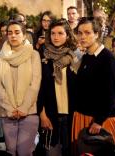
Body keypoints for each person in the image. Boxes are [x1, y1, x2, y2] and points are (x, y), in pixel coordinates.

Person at [72, 18, 115, 155]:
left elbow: (112, 94)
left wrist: (99, 121)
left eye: (87, 33)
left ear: (97, 34)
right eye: (80, 33)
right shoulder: (86, 56)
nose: (82, 37)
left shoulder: (107, 58)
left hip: (100, 121)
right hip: (83, 116)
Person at [0, 21, 41, 156]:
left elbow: (35, 83)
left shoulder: (34, 55)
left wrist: (23, 108)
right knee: (10, 152)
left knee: (24, 152)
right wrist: (10, 108)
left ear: (24, 35)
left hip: (29, 111)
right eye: (10, 33)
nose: (13, 36)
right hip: (7, 112)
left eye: (17, 32)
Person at [37, 19, 78, 156]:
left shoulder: (75, 58)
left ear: (68, 35)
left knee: (70, 152)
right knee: (52, 152)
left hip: (72, 115)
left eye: (60, 33)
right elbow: (39, 88)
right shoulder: (43, 57)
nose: (56, 37)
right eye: (53, 33)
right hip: (50, 115)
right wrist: (42, 115)